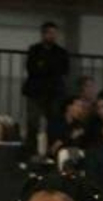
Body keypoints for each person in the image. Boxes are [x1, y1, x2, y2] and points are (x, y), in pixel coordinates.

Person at [22, 22, 70, 154]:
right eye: (50, 33)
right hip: (35, 92)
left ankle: (51, 152)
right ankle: (31, 152)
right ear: (43, 34)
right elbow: (32, 69)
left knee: (53, 124)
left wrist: (44, 67)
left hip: (54, 93)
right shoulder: (34, 50)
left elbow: (63, 70)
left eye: (55, 33)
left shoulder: (61, 52)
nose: (52, 36)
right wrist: (48, 69)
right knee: (33, 123)